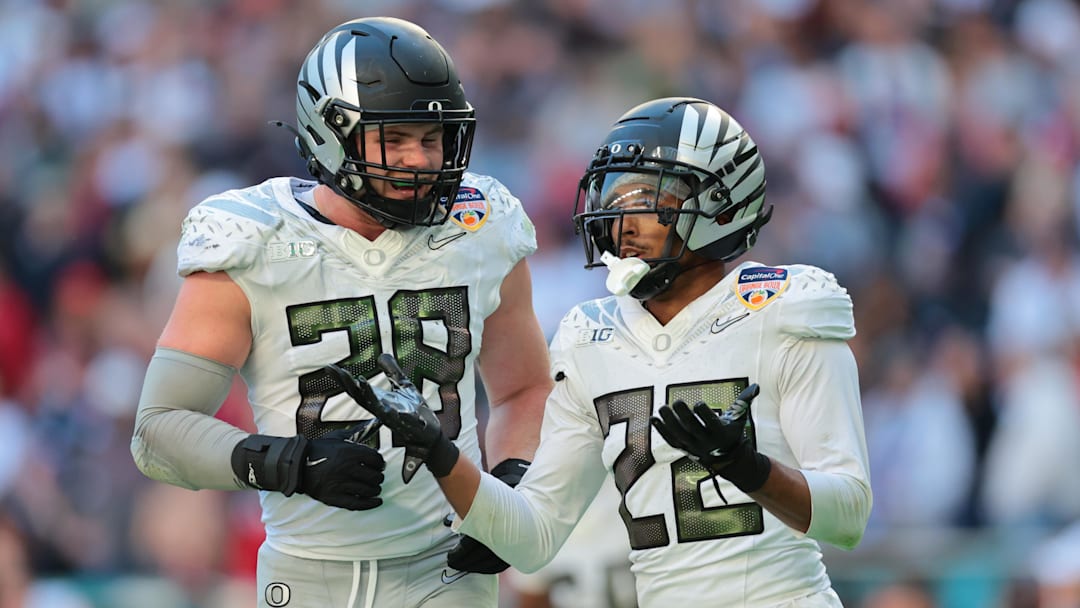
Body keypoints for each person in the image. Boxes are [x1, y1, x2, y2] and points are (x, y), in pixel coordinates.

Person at [329, 97, 873, 607]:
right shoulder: (592, 337)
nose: (621, 225)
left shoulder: (783, 309)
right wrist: (440, 451)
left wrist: (746, 467)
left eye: (646, 201)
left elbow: (847, 515)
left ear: (719, 203)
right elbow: (534, 536)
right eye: (613, 203)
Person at [130, 16, 552, 608]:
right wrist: (290, 463)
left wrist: (510, 486)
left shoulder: (480, 227)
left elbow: (524, 390)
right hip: (311, 576)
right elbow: (159, 429)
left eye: (431, 140)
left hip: (451, 571)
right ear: (333, 136)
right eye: (395, 139)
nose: (418, 162)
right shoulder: (255, 240)